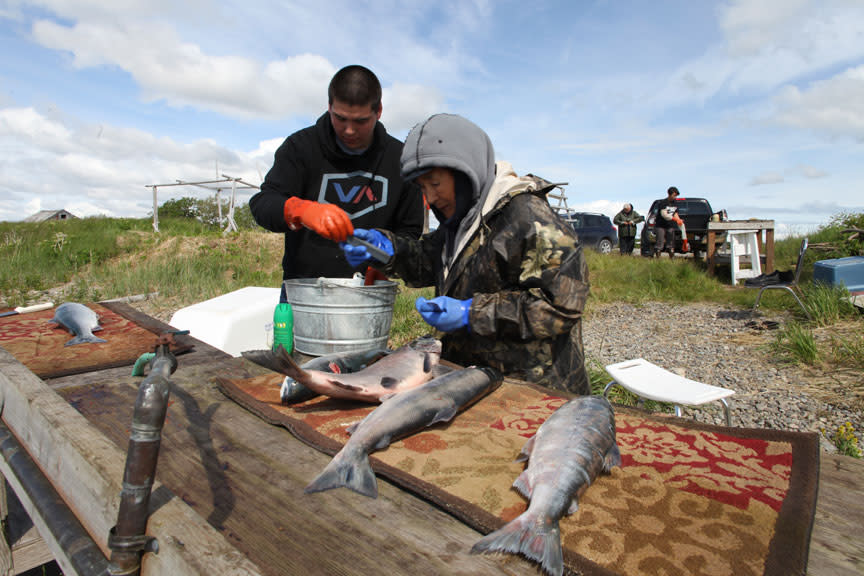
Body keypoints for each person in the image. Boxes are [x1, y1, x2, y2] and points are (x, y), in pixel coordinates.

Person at [341, 114, 591, 395]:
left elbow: (560, 306)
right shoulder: (460, 218)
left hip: (532, 392)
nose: (430, 198)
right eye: (422, 188)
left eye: (435, 184)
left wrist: (469, 312)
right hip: (474, 382)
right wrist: (386, 251)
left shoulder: (528, 218)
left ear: (466, 171)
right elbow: (428, 259)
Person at [249, 65, 425, 299]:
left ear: (379, 111)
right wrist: (300, 210)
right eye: (340, 118)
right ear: (329, 106)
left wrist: (384, 261)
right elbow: (262, 204)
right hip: (303, 292)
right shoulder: (300, 147)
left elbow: (410, 230)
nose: (349, 130)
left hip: (368, 294)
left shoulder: (401, 160)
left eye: (361, 121)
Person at [653, 186, 680, 257]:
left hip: (670, 225)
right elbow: (664, 214)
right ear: (669, 194)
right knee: (660, 242)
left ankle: (671, 257)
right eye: (674, 195)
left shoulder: (675, 203)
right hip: (660, 225)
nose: (675, 197)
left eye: (676, 195)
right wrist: (675, 219)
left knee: (671, 242)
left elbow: (675, 213)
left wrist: (679, 220)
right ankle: (658, 258)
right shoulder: (663, 203)